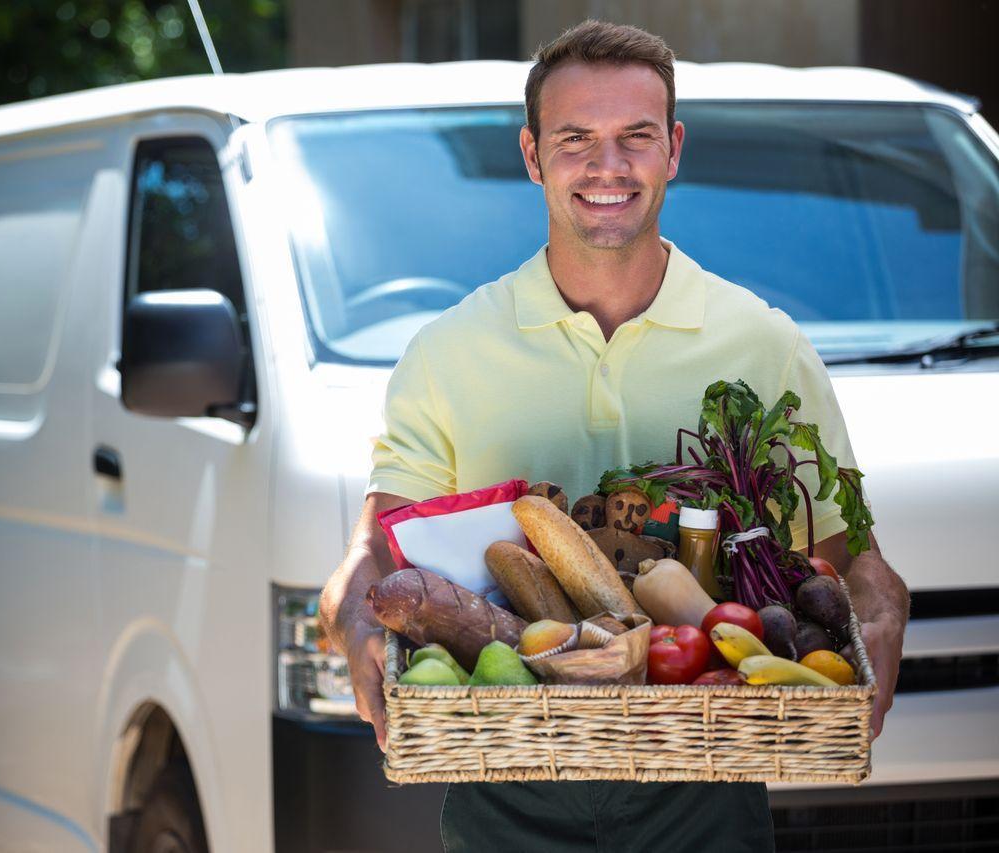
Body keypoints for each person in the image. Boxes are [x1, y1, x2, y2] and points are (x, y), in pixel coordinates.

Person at [319, 18, 910, 853]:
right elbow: (372, 555)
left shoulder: (764, 344)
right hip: (504, 790)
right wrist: (354, 625)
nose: (608, 166)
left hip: (705, 781)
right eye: (575, 139)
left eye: (636, 136)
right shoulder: (448, 352)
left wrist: (884, 610)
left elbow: (855, 559)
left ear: (673, 149)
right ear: (532, 156)